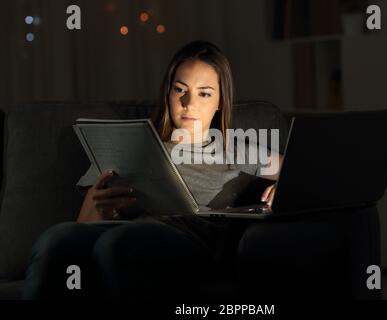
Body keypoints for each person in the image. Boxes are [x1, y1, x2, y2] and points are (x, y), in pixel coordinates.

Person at [22, 40, 281, 299]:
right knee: (56, 240)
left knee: (118, 244)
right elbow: (81, 226)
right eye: (180, 89)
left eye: (204, 93)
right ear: (167, 93)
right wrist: (101, 209)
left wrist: (280, 187)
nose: (189, 102)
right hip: (125, 231)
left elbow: (302, 169)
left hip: (187, 242)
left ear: (221, 101)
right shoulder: (129, 145)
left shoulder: (236, 150)